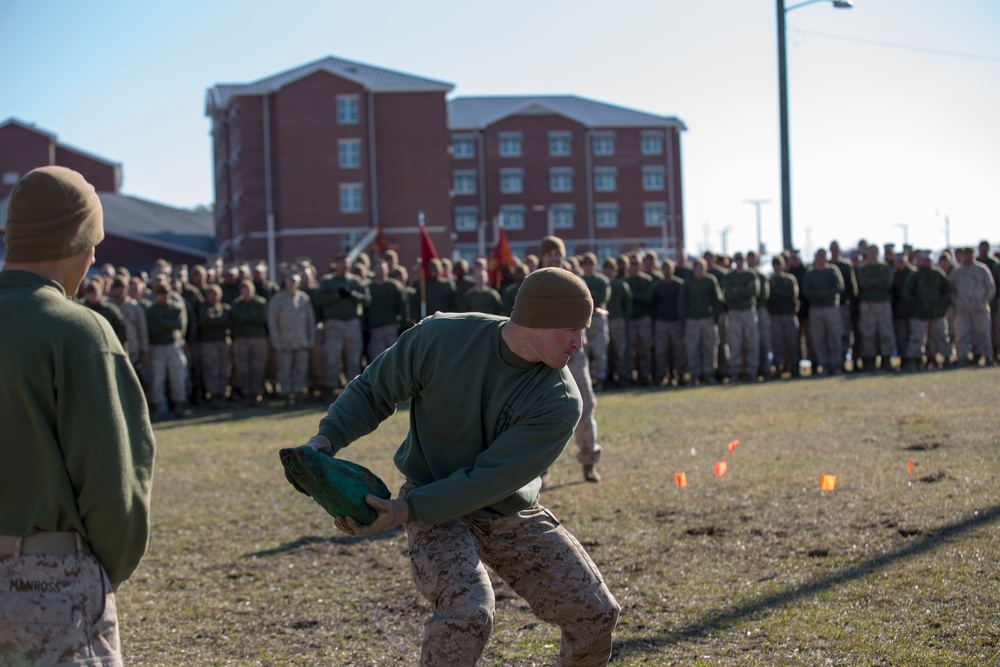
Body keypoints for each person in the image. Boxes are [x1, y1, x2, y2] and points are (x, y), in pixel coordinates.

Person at [287, 267, 620, 665]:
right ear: (539, 319)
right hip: (432, 499)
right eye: (571, 329)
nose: (579, 344)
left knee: (596, 614)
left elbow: (487, 480)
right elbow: (375, 390)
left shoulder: (560, 400)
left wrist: (401, 512)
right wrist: (324, 441)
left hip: (506, 507)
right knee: (468, 611)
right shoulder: (441, 338)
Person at [0, 166, 155, 666]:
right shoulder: (77, 333)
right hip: (46, 583)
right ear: (83, 242)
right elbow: (115, 491)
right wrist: (96, 572)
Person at [539, 236, 604, 482]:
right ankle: (539, 469)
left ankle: (589, 462)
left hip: (573, 355)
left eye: (558, 253)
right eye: (549, 254)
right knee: (541, 413)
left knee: (585, 408)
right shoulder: (535, 285)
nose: (554, 258)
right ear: (543, 257)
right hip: (542, 356)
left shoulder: (574, 283)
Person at [268, 271, 317, 406]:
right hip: (284, 342)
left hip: (301, 341)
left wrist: (310, 338)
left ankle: (299, 393)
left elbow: (310, 321)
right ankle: (286, 394)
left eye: (295, 281)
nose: (292, 283)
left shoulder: (304, 298)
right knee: (284, 370)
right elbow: (272, 322)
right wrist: (276, 340)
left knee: (301, 369)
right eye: (290, 281)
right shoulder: (278, 299)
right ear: (285, 281)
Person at [948, 247, 996, 366]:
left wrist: (983, 301)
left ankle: (987, 356)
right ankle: (962, 358)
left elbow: (991, 288)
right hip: (962, 310)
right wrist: (957, 302)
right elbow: (950, 290)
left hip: (980, 309)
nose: (967, 257)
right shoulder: (957, 272)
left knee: (983, 334)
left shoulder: (981, 269)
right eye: (965, 255)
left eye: (969, 255)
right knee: (962, 334)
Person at [801, 248, 845, 376]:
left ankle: (836, 364)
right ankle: (824, 365)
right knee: (819, 338)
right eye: (819, 256)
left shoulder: (832, 271)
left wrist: (822, 294)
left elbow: (838, 287)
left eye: (823, 256)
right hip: (816, 309)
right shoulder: (811, 273)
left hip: (831, 308)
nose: (821, 258)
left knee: (834, 336)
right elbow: (807, 291)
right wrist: (823, 294)